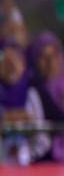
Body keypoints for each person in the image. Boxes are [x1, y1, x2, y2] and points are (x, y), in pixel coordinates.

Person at [29, 32, 64, 163]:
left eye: (54, 55)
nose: (50, 62)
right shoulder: (33, 91)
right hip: (48, 162)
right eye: (43, 56)